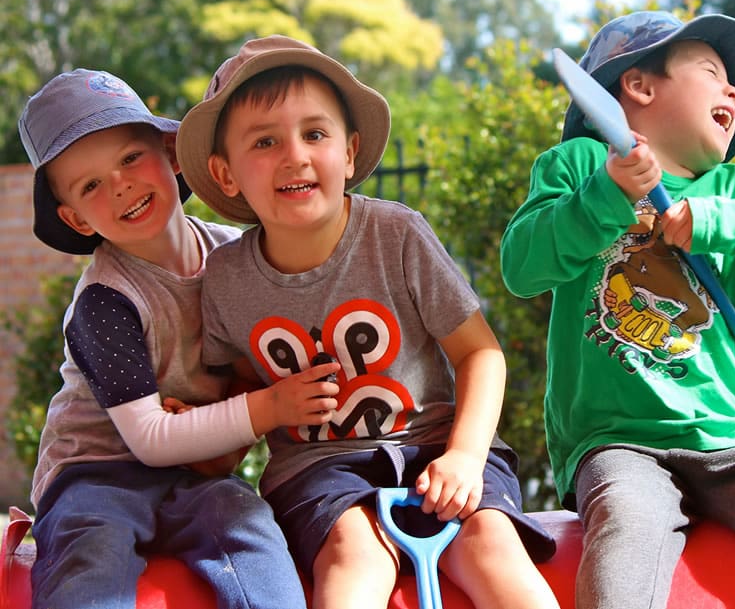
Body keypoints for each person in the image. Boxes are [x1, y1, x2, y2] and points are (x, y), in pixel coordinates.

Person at [500, 11, 735, 609]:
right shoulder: (579, 167)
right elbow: (522, 267)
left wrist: (718, 222)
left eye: (732, 83)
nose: (732, 89)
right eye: (712, 72)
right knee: (626, 538)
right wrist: (607, 193)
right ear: (640, 86)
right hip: (619, 441)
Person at [176, 35, 559, 609]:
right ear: (225, 173)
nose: (294, 155)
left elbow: (480, 353)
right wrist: (202, 439)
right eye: (264, 141)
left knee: (490, 545)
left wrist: (465, 455)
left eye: (315, 133)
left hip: (437, 443)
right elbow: (248, 392)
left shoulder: (396, 235)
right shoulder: (226, 277)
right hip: (317, 468)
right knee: (353, 553)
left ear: (350, 152)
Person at [20, 69, 339, 609]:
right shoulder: (106, 300)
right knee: (90, 554)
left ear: (171, 153)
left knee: (249, 529)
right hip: (97, 473)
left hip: (197, 473)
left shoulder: (238, 257)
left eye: (129, 159)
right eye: (91, 185)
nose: (119, 184)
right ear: (75, 219)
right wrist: (267, 406)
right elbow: (149, 437)